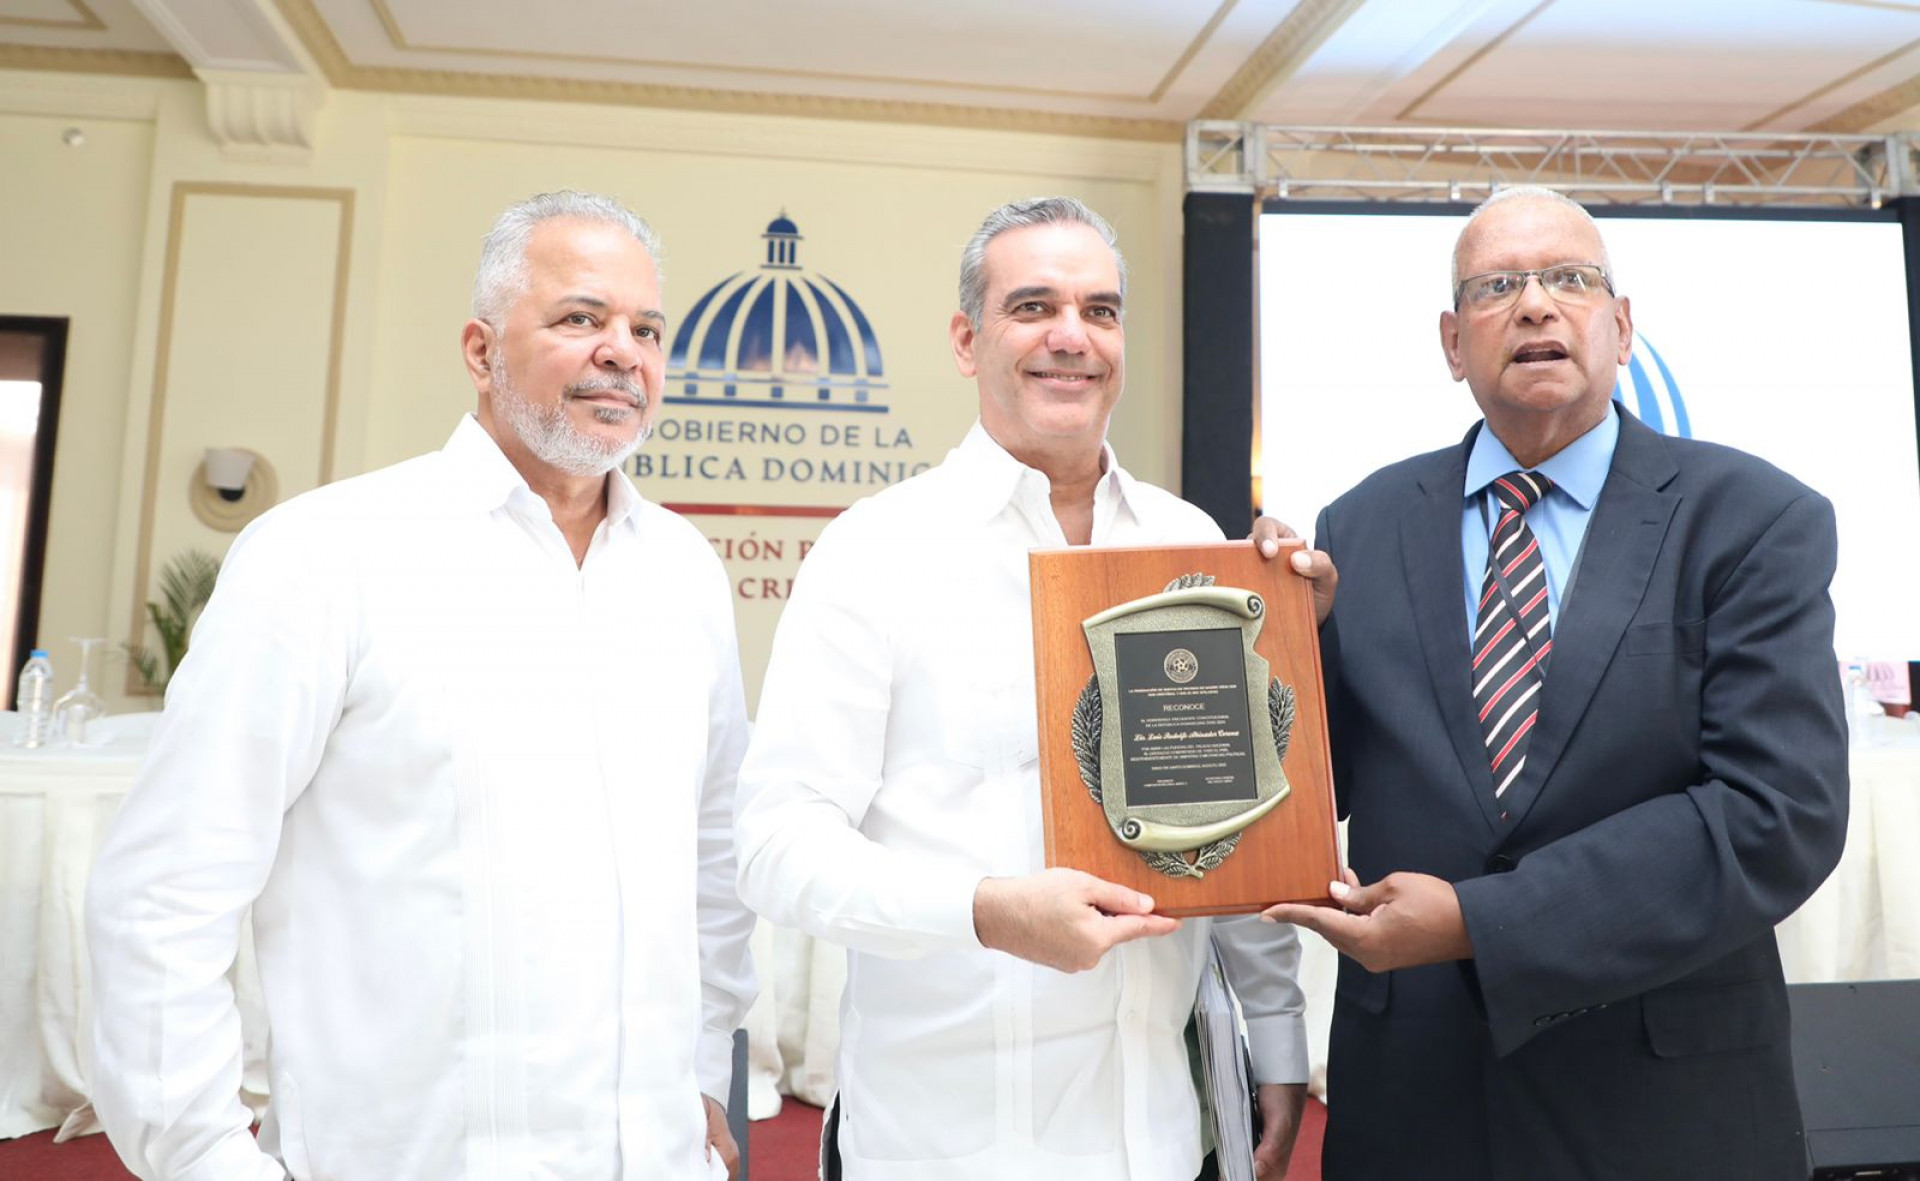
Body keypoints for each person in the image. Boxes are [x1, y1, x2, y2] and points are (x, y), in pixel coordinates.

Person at [86, 190, 756, 1180]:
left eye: (647, 328)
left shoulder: (685, 573)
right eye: (581, 317)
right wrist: (203, 1159)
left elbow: (714, 853)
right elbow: (165, 890)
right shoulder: (324, 554)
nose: (624, 352)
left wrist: (702, 1072)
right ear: (482, 352)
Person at [1258, 186, 1848, 1180]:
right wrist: (1286, 645)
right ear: (1453, 343)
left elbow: (1778, 812)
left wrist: (1480, 923)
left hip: (1663, 1104)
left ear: (1622, 326)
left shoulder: (1752, 518)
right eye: (1496, 287)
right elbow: (1322, 787)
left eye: (1570, 279)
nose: (1535, 304)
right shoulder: (1359, 525)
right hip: (1414, 1100)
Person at [733, 196, 1308, 1181]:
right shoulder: (875, 552)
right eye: (1033, 306)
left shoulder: (1189, 543)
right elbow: (776, 846)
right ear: (967, 340)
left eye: (1100, 310)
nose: (1071, 337)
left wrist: (1280, 1039)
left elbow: (1231, 823)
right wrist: (986, 910)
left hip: (1165, 1141)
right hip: (943, 1149)